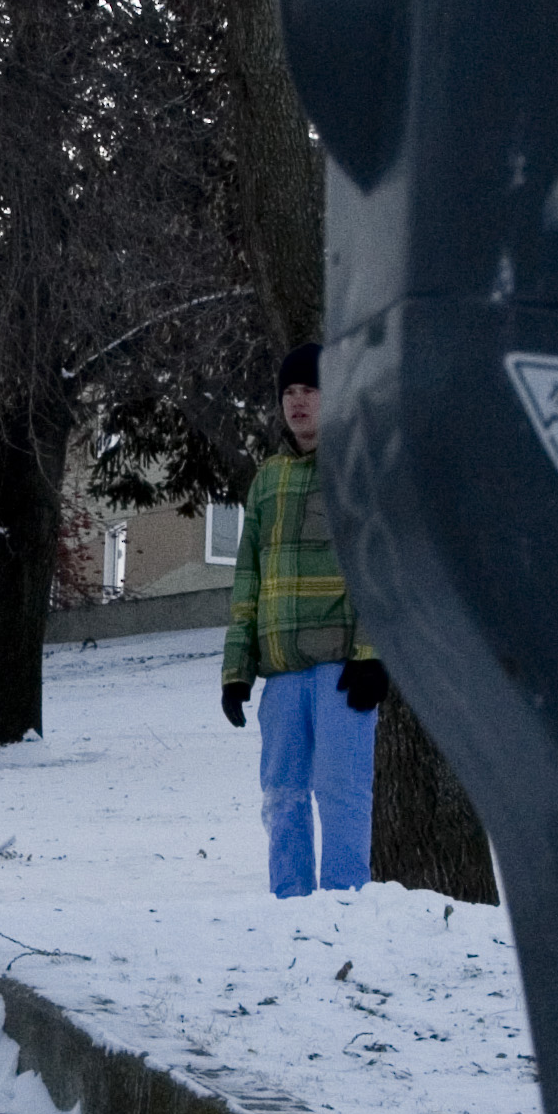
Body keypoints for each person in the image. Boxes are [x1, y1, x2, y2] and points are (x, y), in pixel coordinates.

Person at [220, 341, 389, 898]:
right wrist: (236, 671)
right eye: (289, 393)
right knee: (282, 795)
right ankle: (289, 910)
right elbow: (247, 579)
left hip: (343, 671)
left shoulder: (357, 466)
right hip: (283, 674)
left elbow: (378, 564)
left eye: (309, 390)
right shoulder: (266, 481)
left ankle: (344, 909)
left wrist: (372, 655)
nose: (297, 402)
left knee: (341, 793)